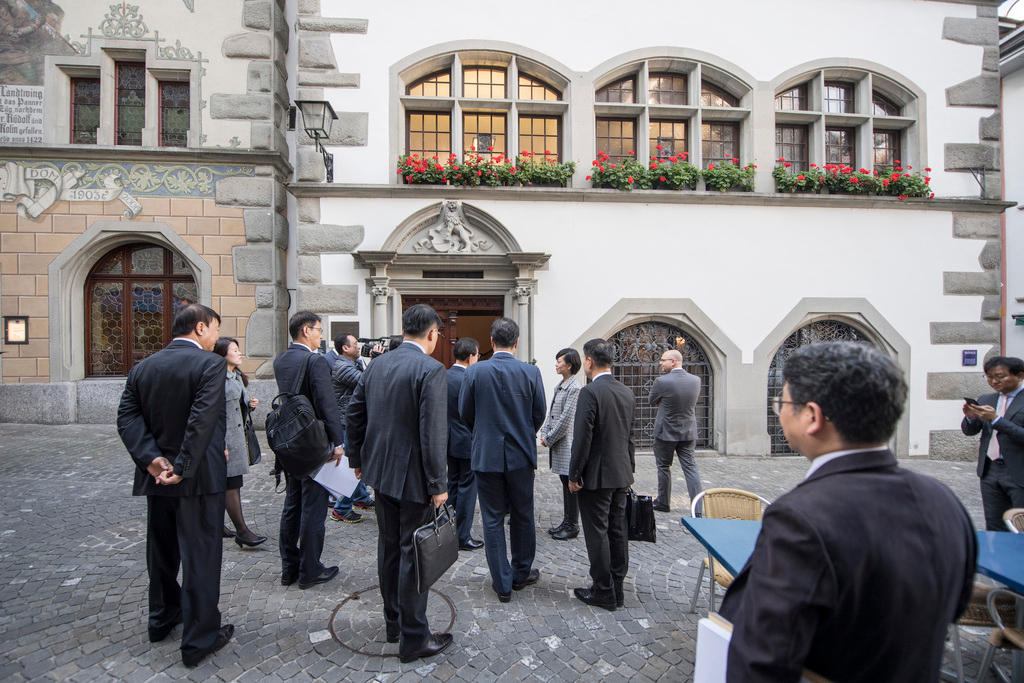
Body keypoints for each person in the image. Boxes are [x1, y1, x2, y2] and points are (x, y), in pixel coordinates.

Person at [719, 342, 976, 682]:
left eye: (782, 403)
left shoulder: (800, 518)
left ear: (812, 416)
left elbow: (763, 658)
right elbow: (953, 606)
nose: (778, 412)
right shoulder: (943, 499)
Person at [116, 303, 234, 668]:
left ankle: (162, 618)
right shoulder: (210, 364)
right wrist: (181, 466)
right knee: (200, 556)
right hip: (196, 477)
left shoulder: (144, 366)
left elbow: (127, 417)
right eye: (215, 328)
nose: (216, 335)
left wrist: (152, 459)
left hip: (158, 476)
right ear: (200, 328)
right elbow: (201, 418)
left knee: (162, 552)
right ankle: (199, 638)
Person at [346, 304, 453, 663]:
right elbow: (433, 432)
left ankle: (394, 621)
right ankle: (413, 638)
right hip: (414, 478)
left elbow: (354, 412)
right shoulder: (431, 368)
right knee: (413, 554)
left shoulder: (377, 363)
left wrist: (357, 459)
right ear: (433, 334)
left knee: (389, 547)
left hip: (380, 472)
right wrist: (439, 483)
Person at [459, 317, 546, 603]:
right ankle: (521, 572)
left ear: (491, 341)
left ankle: (502, 581)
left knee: (493, 518)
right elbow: (538, 414)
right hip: (520, 454)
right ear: (517, 342)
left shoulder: (475, 372)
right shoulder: (530, 372)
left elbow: (465, 413)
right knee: (523, 513)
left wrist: (483, 434)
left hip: (486, 455)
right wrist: (522, 433)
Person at [273, 311, 345, 590]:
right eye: (317, 329)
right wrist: (337, 442)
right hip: (313, 443)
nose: (321, 335)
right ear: (305, 330)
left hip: (289, 441)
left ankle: (288, 567)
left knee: (292, 505)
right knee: (313, 509)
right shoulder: (314, 361)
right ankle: (310, 569)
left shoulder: (282, 359)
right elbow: (328, 404)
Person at [567, 339, 636, 611]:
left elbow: (582, 438)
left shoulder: (590, 392)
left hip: (596, 476)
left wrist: (574, 474)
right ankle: (617, 588)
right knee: (618, 531)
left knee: (597, 533)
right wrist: (630, 469)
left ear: (588, 361)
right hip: (621, 473)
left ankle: (603, 590)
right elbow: (630, 437)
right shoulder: (626, 392)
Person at [212, 337, 267, 548]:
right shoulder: (218, 378)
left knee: (226, 483)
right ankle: (242, 531)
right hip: (225, 439)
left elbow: (236, 406)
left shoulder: (235, 376)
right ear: (222, 354)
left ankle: (217, 524)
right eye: (234, 350)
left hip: (237, 438)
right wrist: (219, 443)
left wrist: (249, 405)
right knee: (231, 484)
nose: (239, 353)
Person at [962, 355, 1024, 531]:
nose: (994, 381)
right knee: (994, 525)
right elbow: (969, 431)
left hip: (1019, 472)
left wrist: (996, 420)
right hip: (990, 471)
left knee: (1019, 528)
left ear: (1019, 376)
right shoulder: (986, 399)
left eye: (1000, 376)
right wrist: (970, 417)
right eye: (989, 376)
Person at [329, 333, 375, 524]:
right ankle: (341, 508)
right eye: (355, 344)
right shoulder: (342, 367)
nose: (359, 347)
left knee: (359, 460)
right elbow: (367, 382)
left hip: (352, 420)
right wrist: (375, 361)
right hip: (346, 422)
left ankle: (361, 497)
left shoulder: (351, 364)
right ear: (345, 348)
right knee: (351, 465)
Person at [650, 348, 702, 513]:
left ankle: (663, 502)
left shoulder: (662, 381)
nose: (660, 363)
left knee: (664, 466)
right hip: (688, 431)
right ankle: (698, 508)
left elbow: (652, 401)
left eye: (663, 360)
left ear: (673, 362)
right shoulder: (696, 380)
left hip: (666, 432)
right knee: (691, 468)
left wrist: (664, 403)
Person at [540, 348, 582, 540]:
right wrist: (544, 431)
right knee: (565, 483)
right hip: (559, 443)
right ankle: (567, 521)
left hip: (567, 443)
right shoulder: (561, 385)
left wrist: (548, 438)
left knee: (570, 484)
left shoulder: (574, 387)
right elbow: (551, 413)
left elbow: (566, 420)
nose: (556, 365)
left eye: (559, 362)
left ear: (570, 365)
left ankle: (572, 524)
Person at [447, 337, 483, 550]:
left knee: (453, 484)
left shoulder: (443, 375)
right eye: (478, 356)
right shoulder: (471, 378)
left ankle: (447, 527)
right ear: (470, 357)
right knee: (468, 489)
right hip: (468, 441)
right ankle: (462, 536)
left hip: (449, 440)